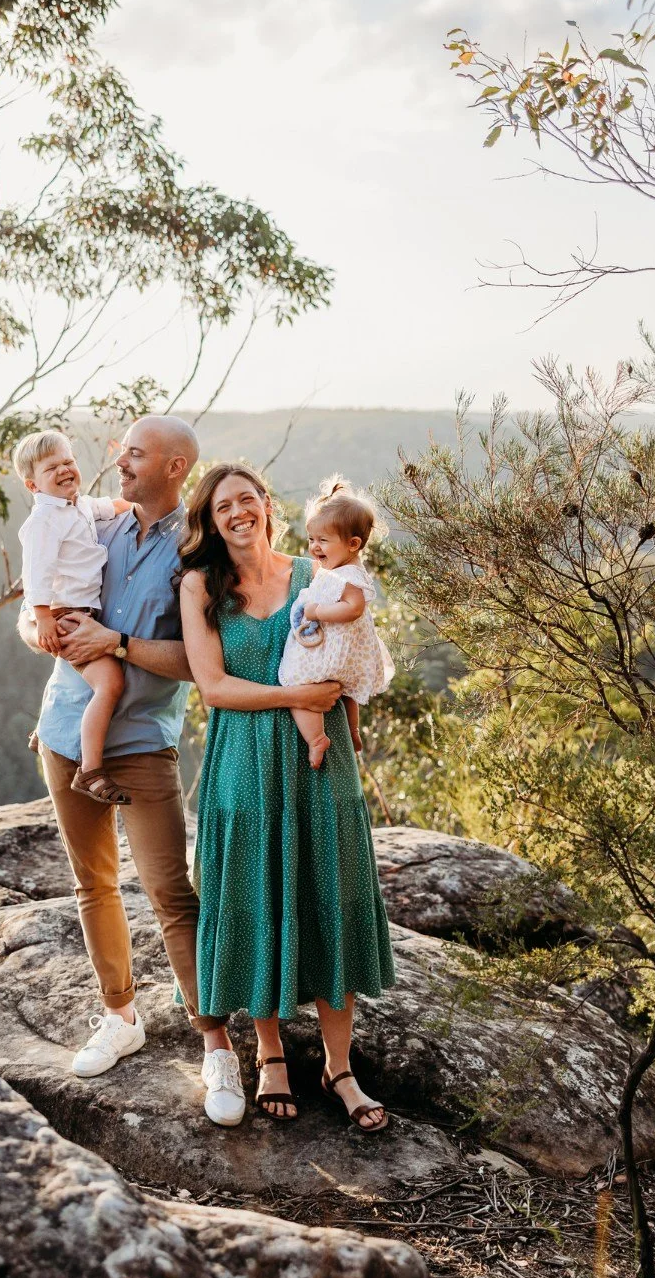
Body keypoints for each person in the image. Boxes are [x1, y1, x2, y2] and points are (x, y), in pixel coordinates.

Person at [21, 415, 269, 1125]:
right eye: (122, 451)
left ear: (174, 466)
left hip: (141, 742)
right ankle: (119, 1016)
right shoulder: (92, 523)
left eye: (134, 453)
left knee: (170, 893)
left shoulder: (197, 551)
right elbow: (34, 605)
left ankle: (216, 1044)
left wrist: (118, 643)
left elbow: (200, 663)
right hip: (65, 730)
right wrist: (41, 631)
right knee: (92, 882)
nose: (119, 461)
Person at [179, 463, 396, 1129]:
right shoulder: (200, 585)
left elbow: (355, 648)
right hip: (243, 762)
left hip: (318, 766)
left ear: (267, 506)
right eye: (223, 506)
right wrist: (296, 694)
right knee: (257, 897)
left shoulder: (316, 573)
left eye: (247, 499)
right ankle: (269, 1053)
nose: (238, 513)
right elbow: (214, 688)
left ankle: (339, 1067)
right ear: (210, 521)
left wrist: (343, 710)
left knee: (331, 897)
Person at [14, 429, 133, 804]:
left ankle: (43, 731)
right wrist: (42, 618)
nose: (64, 470)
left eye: (68, 461)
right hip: (65, 614)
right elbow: (36, 574)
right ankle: (90, 770)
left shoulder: (79, 505)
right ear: (33, 485)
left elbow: (113, 506)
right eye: (52, 468)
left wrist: (150, 507)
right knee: (110, 683)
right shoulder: (43, 521)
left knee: (85, 678)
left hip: (83, 611)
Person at [278, 474, 395, 769]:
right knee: (347, 692)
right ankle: (352, 731)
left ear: (353, 544)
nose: (314, 547)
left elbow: (353, 608)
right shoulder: (339, 570)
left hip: (331, 651)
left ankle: (316, 738)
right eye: (311, 539)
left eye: (323, 541)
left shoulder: (349, 576)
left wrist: (317, 611)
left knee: (296, 682)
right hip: (343, 651)